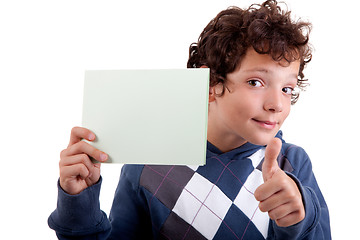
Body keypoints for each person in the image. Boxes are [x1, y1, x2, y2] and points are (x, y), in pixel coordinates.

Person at [48, 1, 331, 239]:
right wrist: (79, 203)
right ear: (210, 83)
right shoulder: (148, 161)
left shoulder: (292, 164)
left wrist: (299, 220)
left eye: (287, 89)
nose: (276, 104)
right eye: (256, 82)